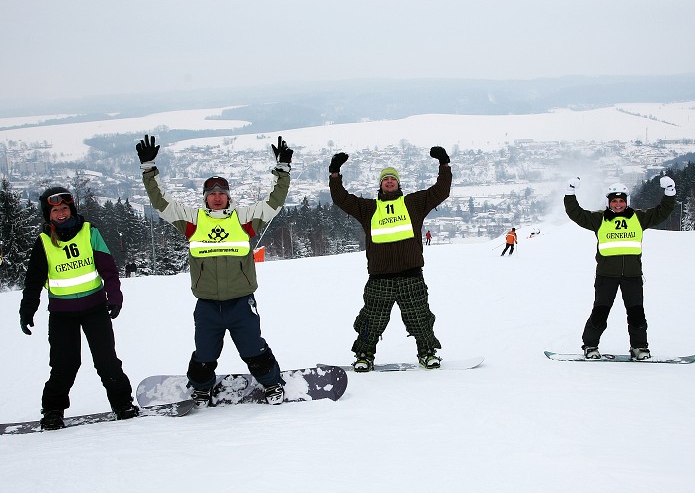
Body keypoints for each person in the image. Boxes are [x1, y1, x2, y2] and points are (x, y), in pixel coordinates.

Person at [135, 134, 292, 405]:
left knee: (254, 349)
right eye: (212, 194)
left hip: (241, 303)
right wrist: (149, 169)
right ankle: (201, 387)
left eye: (222, 193)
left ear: (228, 197)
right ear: (205, 198)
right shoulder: (193, 221)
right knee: (205, 354)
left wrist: (283, 170)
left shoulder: (242, 219)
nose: (217, 198)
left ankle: (271, 384)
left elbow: (274, 202)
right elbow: (161, 203)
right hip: (207, 305)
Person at [19, 187, 138, 430]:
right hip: (62, 315)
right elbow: (33, 282)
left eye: (64, 208)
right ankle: (52, 411)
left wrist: (114, 296)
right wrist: (27, 310)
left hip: (95, 309)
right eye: (55, 210)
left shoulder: (89, 232)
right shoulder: (43, 242)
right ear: (48, 214)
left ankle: (122, 404)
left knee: (107, 361)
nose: (61, 214)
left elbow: (108, 269)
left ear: (71, 209)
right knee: (64, 364)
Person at [329, 147, 452, 371]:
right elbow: (342, 199)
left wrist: (443, 164)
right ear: (380, 184)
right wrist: (335, 174)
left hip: (411, 275)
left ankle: (427, 352)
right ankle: (364, 355)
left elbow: (441, 191)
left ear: (398, 183)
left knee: (419, 318)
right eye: (385, 179)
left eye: (392, 178)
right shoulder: (369, 209)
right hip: (379, 278)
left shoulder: (413, 204)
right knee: (371, 320)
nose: (389, 181)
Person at [564, 176, 675, 360]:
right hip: (606, 276)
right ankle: (590, 346)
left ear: (627, 201)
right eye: (614, 201)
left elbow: (662, 212)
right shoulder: (599, 219)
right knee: (600, 313)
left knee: (636, 314)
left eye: (621, 200)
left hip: (632, 276)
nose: (617, 204)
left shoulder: (638, 218)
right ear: (608, 203)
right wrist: (570, 193)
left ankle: (639, 348)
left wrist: (670, 191)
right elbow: (576, 214)